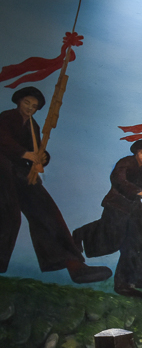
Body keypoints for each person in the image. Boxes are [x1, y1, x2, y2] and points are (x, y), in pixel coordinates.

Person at [0, 87, 110, 282]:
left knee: (47, 213)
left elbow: (37, 150)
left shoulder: (32, 126)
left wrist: (42, 158)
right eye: (27, 103)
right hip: (2, 171)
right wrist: (27, 155)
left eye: (34, 106)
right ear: (19, 101)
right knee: (9, 217)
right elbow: (3, 140)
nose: (29, 109)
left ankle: (73, 265)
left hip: (22, 173)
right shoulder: (7, 117)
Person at [74, 139, 142, 299]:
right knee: (110, 235)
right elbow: (118, 179)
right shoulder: (126, 162)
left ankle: (126, 284)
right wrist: (138, 192)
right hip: (117, 205)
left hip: (135, 211)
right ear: (136, 151)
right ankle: (82, 233)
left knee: (140, 243)